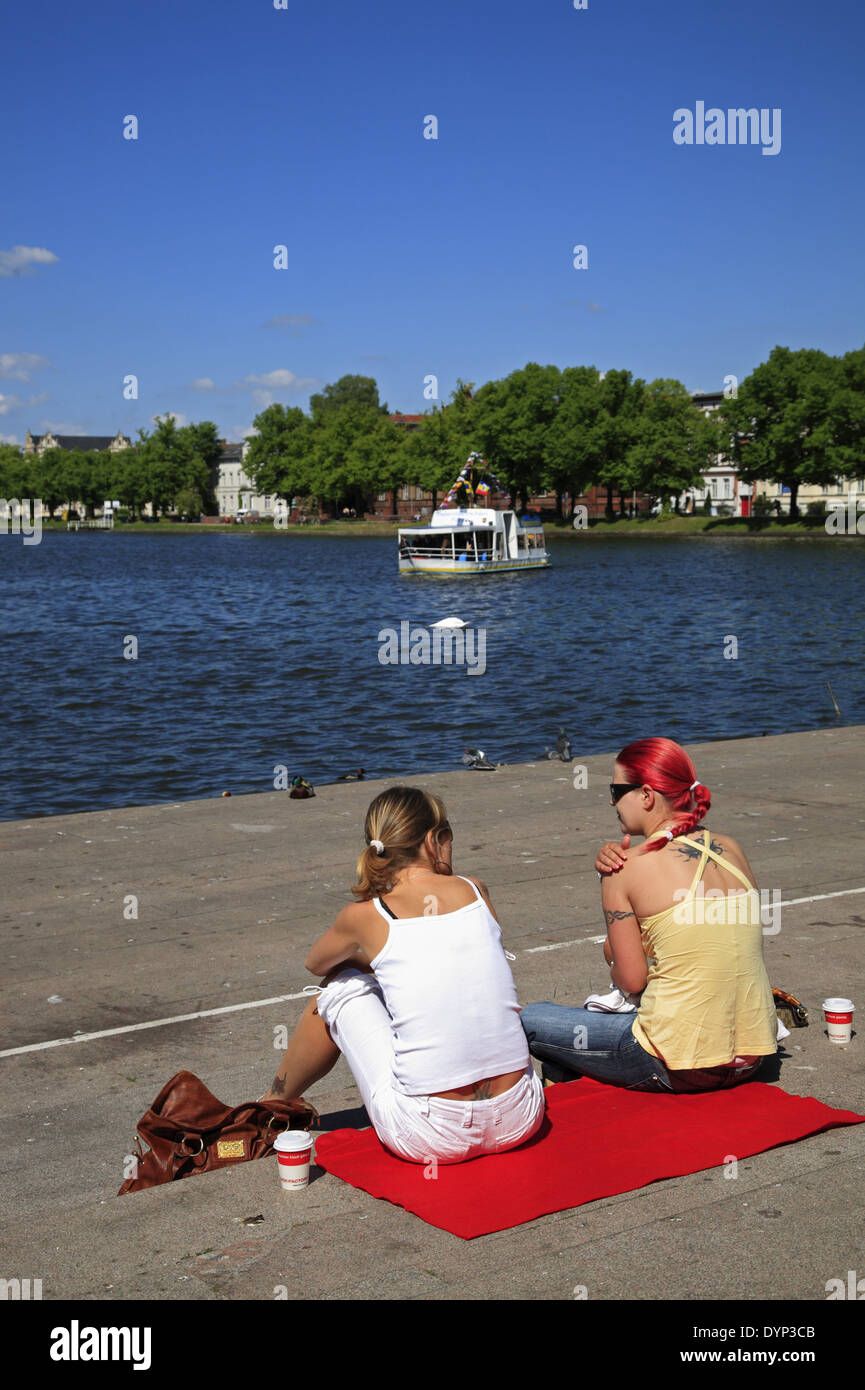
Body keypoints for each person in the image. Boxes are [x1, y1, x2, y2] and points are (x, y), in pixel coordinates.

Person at [262, 787, 545, 1162]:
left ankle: (270, 1107)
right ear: (432, 841)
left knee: (339, 987)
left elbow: (316, 965)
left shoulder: (364, 916)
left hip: (433, 1136)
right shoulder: (475, 890)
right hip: (521, 1117)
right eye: (447, 836)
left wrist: (371, 962)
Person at [520, 737, 778, 1093]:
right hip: (750, 1060)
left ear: (645, 795)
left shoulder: (624, 869)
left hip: (677, 1064)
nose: (611, 800)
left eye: (616, 789)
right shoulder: (730, 848)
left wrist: (611, 952)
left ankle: (569, 1067)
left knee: (530, 1019)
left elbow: (631, 982)